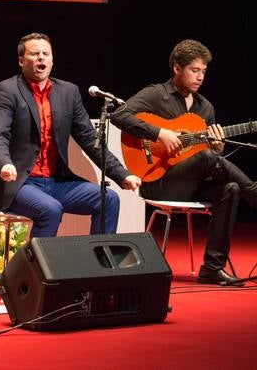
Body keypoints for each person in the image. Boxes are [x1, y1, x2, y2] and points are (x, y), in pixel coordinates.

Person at [110, 38, 257, 286]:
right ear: (177, 68)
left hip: (190, 182)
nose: (200, 77)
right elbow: (119, 115)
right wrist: (159, 133)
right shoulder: (157, 94)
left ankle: (212, 268)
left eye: (203, 72)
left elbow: (211, 160)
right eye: (194, 70)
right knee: (208, 159)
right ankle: (253, 191)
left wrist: (218, 147)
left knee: (230, 189)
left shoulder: (204, 107)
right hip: (157, 180)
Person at [0, 33, 141, 238]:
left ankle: (100, 264)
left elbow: (90, 139)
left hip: (56, 183)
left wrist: (122, 174)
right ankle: (35, 269)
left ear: (52, 60)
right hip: (19, 182)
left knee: (108, 198)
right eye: (34, 53)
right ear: (21, 61)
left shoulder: (68, 92)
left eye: (46, 53)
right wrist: (4, 163)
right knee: (51, 209)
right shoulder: (7, 90)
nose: (41, 58)